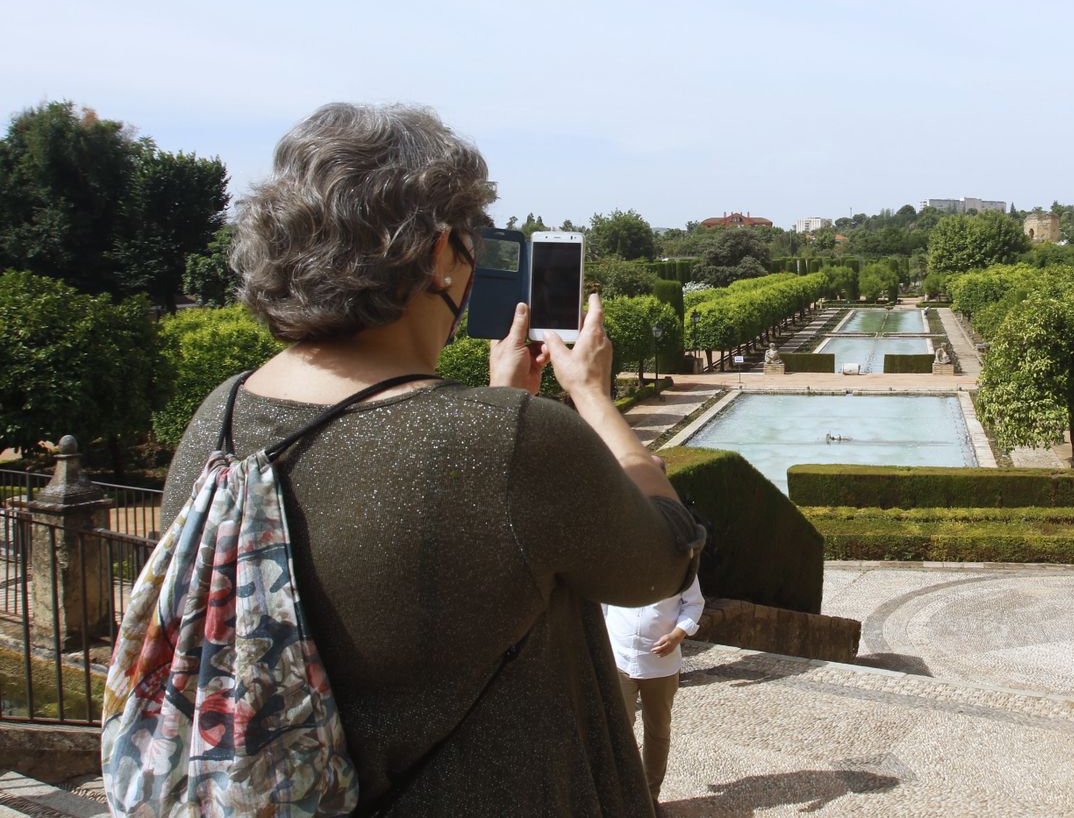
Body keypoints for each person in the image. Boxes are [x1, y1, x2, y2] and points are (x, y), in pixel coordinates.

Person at [158, 102, 701, 817]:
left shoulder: (219, 415)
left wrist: (502, 410)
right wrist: (592, 398)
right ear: (440, 255)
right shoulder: (510, 441)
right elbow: (664, 557)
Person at [603, 505, 706, 810]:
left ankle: (649, 798)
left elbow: (694, 604)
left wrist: (677, 635)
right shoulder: (616, 560)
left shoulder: (681, 563)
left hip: (661, 666)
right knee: (619, 731)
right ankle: (623, 794)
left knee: (658, 732)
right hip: (620, 659)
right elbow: (602, 604)